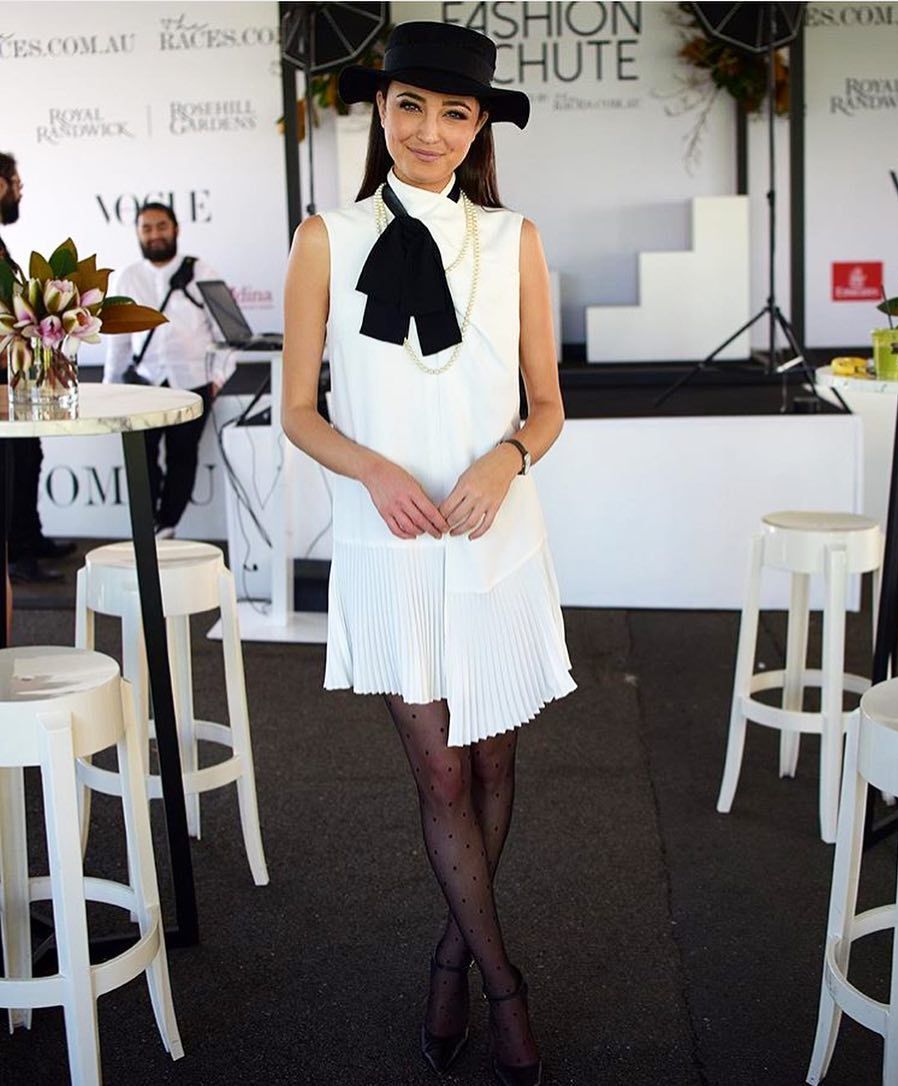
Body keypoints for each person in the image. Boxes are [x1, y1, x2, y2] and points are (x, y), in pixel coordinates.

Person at [282, 21, 576, 1086]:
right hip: (391, 542)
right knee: (441, 770)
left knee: (494, 762)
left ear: (479, 125)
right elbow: (297, 410)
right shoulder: (326, 237)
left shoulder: (514, 240)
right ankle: (502, 986)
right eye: (411, 105)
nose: (429, 130)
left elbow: (547, 406)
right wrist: (370, 469)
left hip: (496, 538)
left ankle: (451, 955)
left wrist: (507, 456)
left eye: (455, 112)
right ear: (381, 109)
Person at [104, 202, 222, 538]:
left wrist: (218, 378)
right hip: (144, 384)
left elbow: (224, 331)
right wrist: (110, 387)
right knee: (141, 458)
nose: (154, 234)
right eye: (147, 228)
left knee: (183, 456)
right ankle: (148, 525)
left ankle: (166, 526)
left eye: (161, 226)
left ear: (175, 229)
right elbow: (118, 341)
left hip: (193, 381)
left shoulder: (201, 271)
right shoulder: (127, 278)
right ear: (138, 234)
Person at [0, 150, 75, 582]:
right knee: (11, 462)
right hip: (3, 372)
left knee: (28, 454)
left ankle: (29, 537)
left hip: (15, 369)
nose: (20, 190)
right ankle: (16, 554)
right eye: (16, 182)